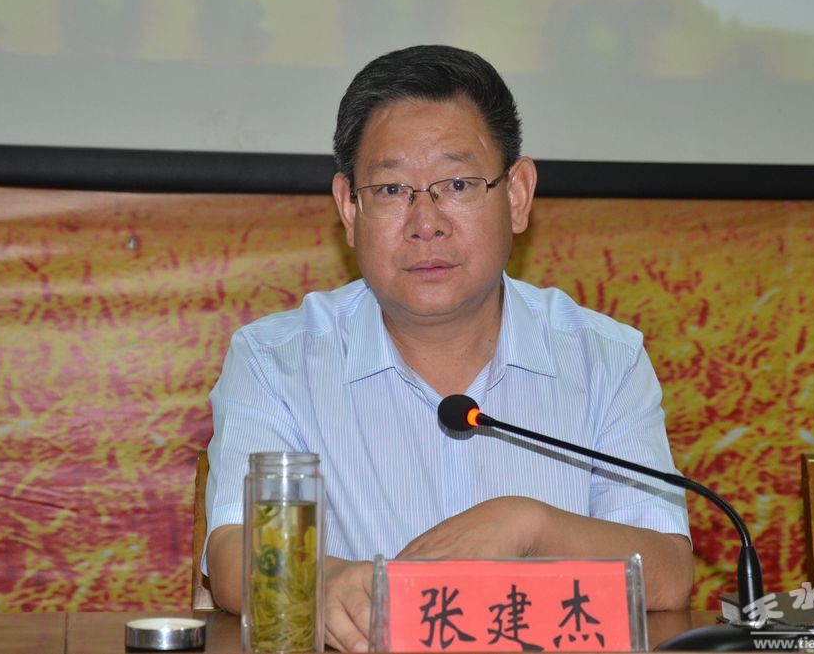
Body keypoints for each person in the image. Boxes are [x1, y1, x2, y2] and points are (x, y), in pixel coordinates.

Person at [204, 44, 693, 652]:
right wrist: (329, 581)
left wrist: (527, 524)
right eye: (391, 189)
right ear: (349, 208)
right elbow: (234, 551)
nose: (425, 222)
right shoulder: (276, 360)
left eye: (457, 184)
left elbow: (666, 574)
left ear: (516, 195)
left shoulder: (605, 359)